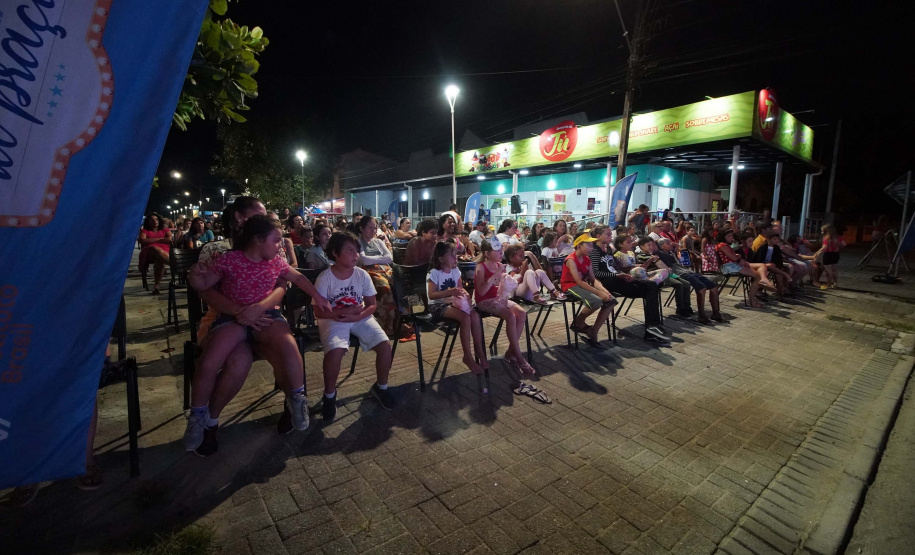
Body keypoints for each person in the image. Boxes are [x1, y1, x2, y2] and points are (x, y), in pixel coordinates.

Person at [185, 215, 332, 455]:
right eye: (276, 240)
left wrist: (318, 295)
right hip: (233, 317)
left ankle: (297, 399)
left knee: (289, 345)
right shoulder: (229, 259)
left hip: (266, 317)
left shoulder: (275, 262)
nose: (280, 245)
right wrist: (195, 276)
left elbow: (297, 277)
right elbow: (205, 285)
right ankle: (198, 415)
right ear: (257, 240)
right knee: (211, 359)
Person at [313, 232, 396, 421]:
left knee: (384, 346)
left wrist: (357, 314)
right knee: (336, 351)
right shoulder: (325, 277)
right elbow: (319, 312)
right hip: (333, 318)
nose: (355, 254)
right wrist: (343, 314)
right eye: (350, 250)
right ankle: (329, 395)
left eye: (356, 250)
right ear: (335, 253)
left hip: (359, 316)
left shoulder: (362, 275)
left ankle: (381, 387)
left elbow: (372, 305)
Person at [589, 226, 669, 344]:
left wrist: (622, 274)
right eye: (608, 234)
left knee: (651, 286)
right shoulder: (595, 251)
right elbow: (596, 273)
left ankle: (652, 327)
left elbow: (614, 267)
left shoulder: (608, 249)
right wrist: (617, 276)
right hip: (608, 282)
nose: (611, 237)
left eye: (611, 234)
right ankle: (652, 329)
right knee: (649, 289)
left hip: (618, 277)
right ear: (598, 236)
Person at [474, 237, 536, 374]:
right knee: (510, 317)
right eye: (497, 251)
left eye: (501, 250)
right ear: (487, 253)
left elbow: (500, 288)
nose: (501, 253)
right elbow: (481, 291)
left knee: (522, 313)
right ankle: (519, 357)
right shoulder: (481, 267)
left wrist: (509, 281)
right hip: (484, 301)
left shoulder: (498, 265)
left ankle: (510, 352)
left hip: (498, 298)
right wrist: (495, 275)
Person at [427, 241, 488, 374]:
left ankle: (479, 349)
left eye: (456, 255)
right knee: (465, 318)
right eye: (452, 255)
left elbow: (460, 289)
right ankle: (467, 356)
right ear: (441, 259)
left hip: (453, 302)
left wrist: (465, 295)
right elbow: (431, 295)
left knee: (475, 315)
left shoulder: (455, 271)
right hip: (438, 305)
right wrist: (451, 292)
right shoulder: (434, 273)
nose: (456, 258)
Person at [355, 216, 412, 341]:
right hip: (369, 271)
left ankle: (403, 321)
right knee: (384, 288)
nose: (374, 230)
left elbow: (389, 258)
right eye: (370, 227)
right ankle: (386, 325)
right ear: (361, 228)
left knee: (401, 285)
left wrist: (375, 259)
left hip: (385, 269)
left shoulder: (378, 242)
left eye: (375, 227)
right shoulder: (358, 243)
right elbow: (363, 260)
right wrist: (380, 258)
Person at [561, 234, 616, 349]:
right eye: (589, 245)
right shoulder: (571, 260)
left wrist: (605, 291)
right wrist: (599, 293)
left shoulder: (587, 259)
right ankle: (578, 322)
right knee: (596, 301)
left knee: (611, 300)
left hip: (582, 285)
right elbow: (579, 282)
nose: (592, 248)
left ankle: (593, 332)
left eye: (592, 245)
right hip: (570, 286)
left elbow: (592, 279)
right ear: (579, 245)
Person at [656, 238, 722, 324]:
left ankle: (716, 313)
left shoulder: (672, 253)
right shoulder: (660, 254)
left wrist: (676, 249)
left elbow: (681, 258)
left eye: (670, 242)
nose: (670, 244)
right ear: (661, 246)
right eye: (667, 243)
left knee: (713, 286)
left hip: (687, 271)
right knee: (702, 288)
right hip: (680, 273)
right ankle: (701, 315)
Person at [138, 213, 172, 295]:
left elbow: (169, 239)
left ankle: (156, 286)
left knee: (159, 259)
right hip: (149, 252)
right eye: (152, 220)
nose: (155, 221)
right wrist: (161, 239)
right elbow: (142, 241)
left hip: (164, 251)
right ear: (148, 221)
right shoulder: (144, 231)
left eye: (156, 219)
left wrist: (151, 240)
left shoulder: (165, 230)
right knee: (154, 248)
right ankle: (173, 264)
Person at [819, 224, 845, 289]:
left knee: (828, 270)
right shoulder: (838, 237)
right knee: (834, 269)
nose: (821, 232)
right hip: (836, 254)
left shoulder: (826, 238)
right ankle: (835, 283)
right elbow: (844, 244)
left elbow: (824, 247)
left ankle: (829, 284)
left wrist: (817, 253)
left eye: (822, 231)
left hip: (828, 254)